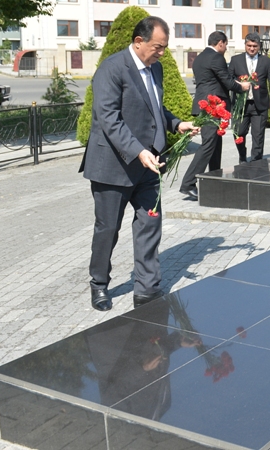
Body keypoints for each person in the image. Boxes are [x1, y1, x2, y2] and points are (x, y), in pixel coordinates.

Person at [81, 16, 198, 311]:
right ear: (139, 42)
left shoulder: (154, 69)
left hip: (149, 166)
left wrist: (176, 124)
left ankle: (145, 289)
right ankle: (99, 284)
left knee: (150, 223)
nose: (162, 53)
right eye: (158, 47)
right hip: (113, 166)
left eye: (165, 48)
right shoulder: (112, 69)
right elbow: (109, 118)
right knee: (108, 229)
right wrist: (137, 151)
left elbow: (154, 106)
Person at [179, 32, 250, 199]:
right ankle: (188, 183)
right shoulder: (216, 57)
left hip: (206, 105)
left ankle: (214, 179)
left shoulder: (200, 57)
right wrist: (242, 87)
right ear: (220, 43)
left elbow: (214, 80)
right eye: (225, 45)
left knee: (216, 144)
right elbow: (227, 81)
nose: (225, 48)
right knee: (209, 144)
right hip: (211, 107)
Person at [228, 33, 270, 161]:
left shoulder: (266, 61)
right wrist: (239, 84)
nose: (252, 48)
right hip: (240, 105)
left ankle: (256, 162)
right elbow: (228, 79)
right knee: (238, 133)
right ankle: (243, 156)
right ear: (245, 45)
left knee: (258, 135)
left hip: (259, 105)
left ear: (259, 46)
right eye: (249, 45)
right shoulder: (235, 60)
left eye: (255, 46)